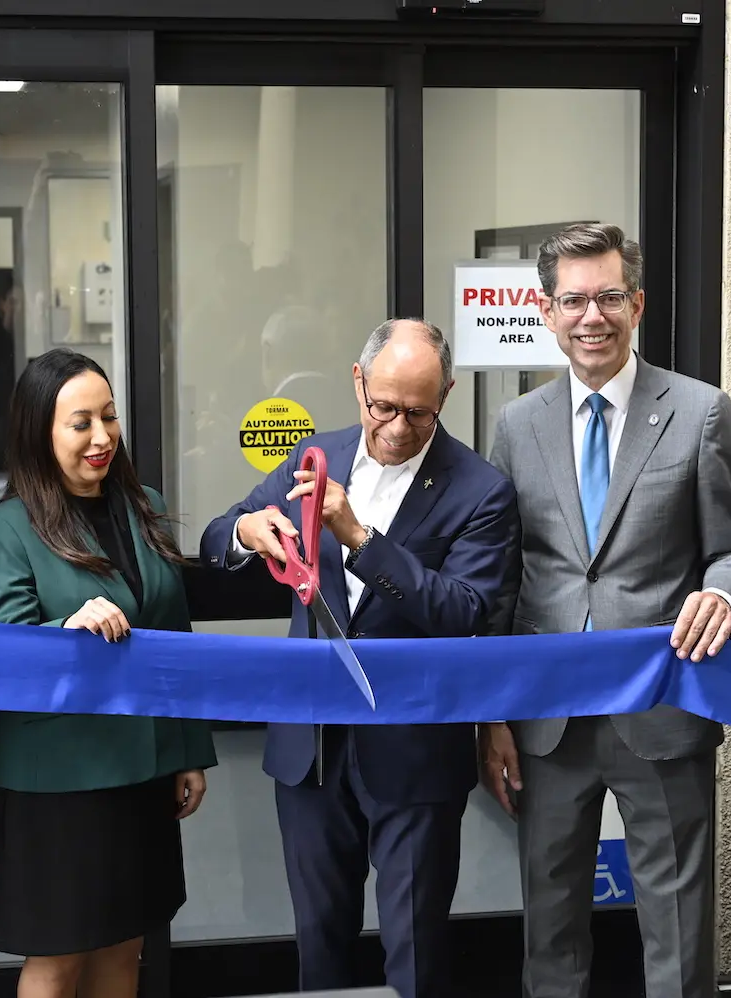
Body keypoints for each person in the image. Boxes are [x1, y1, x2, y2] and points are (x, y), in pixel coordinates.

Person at [200, 319, 521, 998]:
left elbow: (463, 610)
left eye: (419, 411)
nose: (399, 427)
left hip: (412, 750)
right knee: (320, 941)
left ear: (447, 395)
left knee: (415, 947)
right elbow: (212, 540)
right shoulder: (312, 457)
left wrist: (359, 538)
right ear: (358, 383)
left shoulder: (480, 490)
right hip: (310, 748)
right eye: (384, 407)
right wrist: (244, 531)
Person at [480, 222, 731, 998]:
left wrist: (722, 593)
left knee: (676, 921)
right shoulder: (517, 425)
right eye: (573, 300)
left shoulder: (700, 412)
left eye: (607, 297)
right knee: (551, 919)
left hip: (661, 706)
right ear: (546, 311)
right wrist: (494, 716)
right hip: (548, 718)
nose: (590, 316)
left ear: (636, 304)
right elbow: (504, 577)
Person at [0, 348, 217, 998]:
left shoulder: (145, 506)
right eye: (80, 423)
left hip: (143, 768)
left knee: (125, 945)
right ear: (39, 432)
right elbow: (4, 646)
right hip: (58, 781)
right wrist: (69, 628)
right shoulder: (6, 528)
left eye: (108, 418)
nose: (102, 437)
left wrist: (187, 751)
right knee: (58, 961)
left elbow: (173, 640)